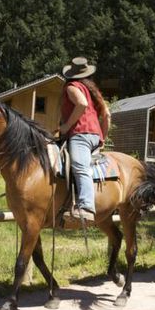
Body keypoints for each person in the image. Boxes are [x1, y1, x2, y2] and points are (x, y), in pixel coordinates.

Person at [59, 56, 110, 222]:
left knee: (79, 166)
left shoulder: (71, 87)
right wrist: (102, 138)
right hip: (94, 136)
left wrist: (66, 126)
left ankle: (87, 206)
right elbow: (107, 115)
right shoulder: (93, 92)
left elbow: (81, 104)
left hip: (80, 134)